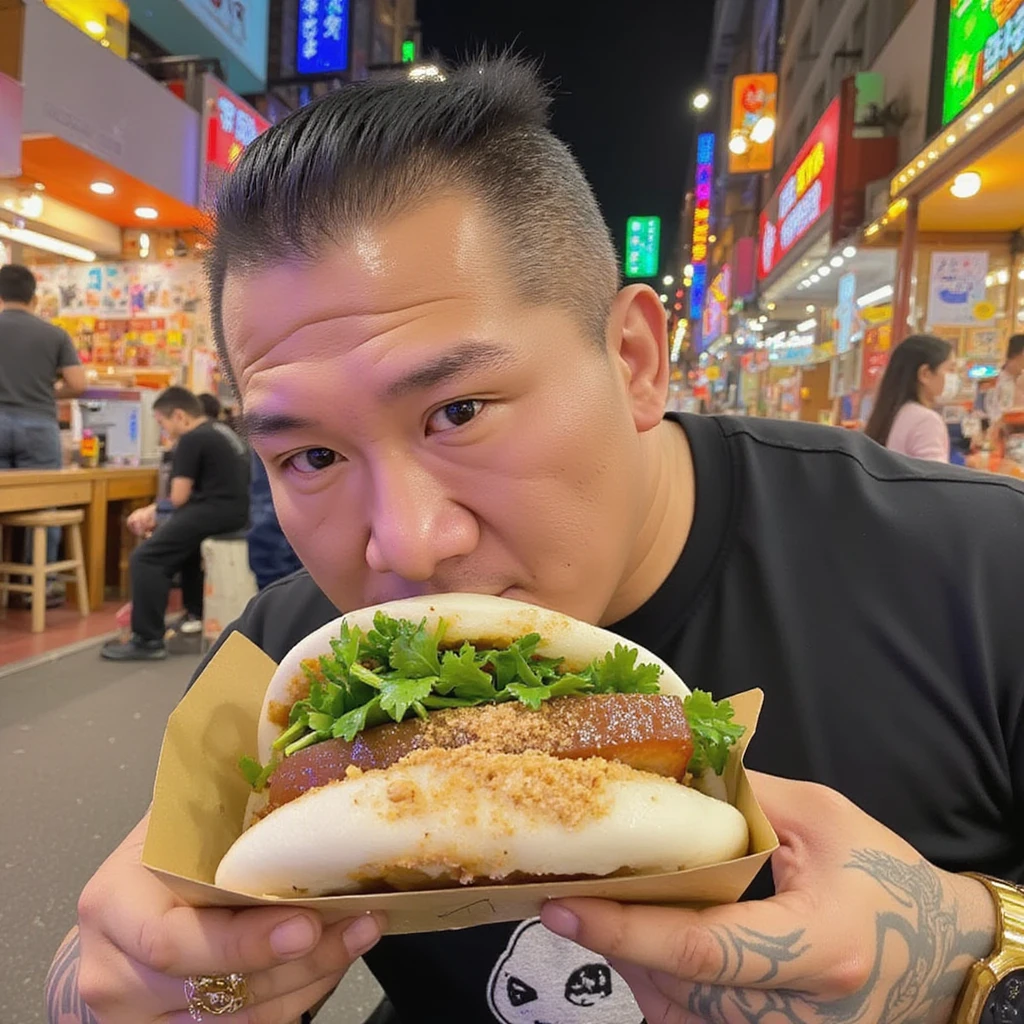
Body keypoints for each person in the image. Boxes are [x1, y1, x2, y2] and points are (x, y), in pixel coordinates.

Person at [54, 58, 1024, 1024]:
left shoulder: (980, 573)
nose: (407, 544)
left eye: (459, 410)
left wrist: (975, 960)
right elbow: (133, 971)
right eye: (310, 456)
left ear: (635, 361)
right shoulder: (277, 665)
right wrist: (130, 992)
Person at [100, 386, 249, 661]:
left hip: (214, 511)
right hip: (238, 511)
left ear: (179, 416)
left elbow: (179, 498)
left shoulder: (192, 439)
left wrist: (152, 512)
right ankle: (194, 612)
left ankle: (147, 639)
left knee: (146, 558)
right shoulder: (222, 431)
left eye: (162, 422)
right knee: (183, 546)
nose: (164, 430)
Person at [0, 263, 87, 592]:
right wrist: (47, 390)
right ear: (34, 298)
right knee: (43, 504)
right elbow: (77, 383)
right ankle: (42, 584)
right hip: (38, 424)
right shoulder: (54, 334)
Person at [864, 333, 954, 462]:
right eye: (951, 369)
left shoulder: (890, 414)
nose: (955, 378)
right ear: (925, 374)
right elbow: (935, 478)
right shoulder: (926, 420)